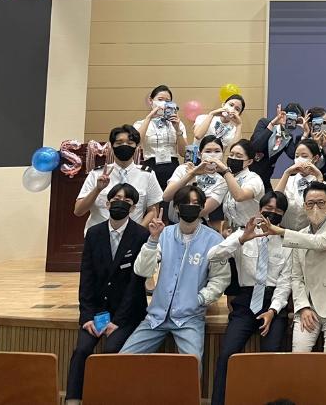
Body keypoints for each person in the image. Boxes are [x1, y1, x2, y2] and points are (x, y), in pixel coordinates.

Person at [261, 182, 326, 402]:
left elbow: (318, 242)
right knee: (299, 358)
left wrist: (280, 231)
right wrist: (303, 307)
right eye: (310, 203)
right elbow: (296, 277)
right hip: (308, 308)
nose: (315, 208)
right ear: (304, 206)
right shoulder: (300, 234)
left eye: (321, 203)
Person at [119, 185, 230, 368]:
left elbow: (220, 279)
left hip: (189, 318)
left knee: (192, 365)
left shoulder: (214, 240)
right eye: (185, 203)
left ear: (202, 207)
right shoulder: (164, 234)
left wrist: (200, 299)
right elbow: (142, 270)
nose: (190, 207)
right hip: (156, 316)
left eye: (195, 203)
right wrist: (152, 240)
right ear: (176, 207)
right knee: (122, 360)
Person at [65, 184, 149, 405]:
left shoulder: (141, 235)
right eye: (116, 199)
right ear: (107, 203)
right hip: (97, 312)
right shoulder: (94, 233)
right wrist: (87, 317)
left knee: (111, 350)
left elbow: (135, 285)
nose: (120, 203)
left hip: (127, 314)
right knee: (82, 350)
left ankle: (104, 398)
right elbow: (87, 277)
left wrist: (117, 322)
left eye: (127, 201)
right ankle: (73, 400)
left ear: (133, 208)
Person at [208, 192, 292, 405]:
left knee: (271, 356)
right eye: (268, 209)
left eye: (278, 211)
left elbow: (285, 284)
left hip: (273, 303)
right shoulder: (242, 233)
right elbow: (213, 256)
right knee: (227, 354)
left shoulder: (287, 242)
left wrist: (272, 311)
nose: (272, 214)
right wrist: (241, 240)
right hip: (246, 303)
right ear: (259, 210)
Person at [74, 124, 162, 234]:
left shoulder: (147, 175)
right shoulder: (96, 174)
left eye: (129, 143)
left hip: (133, 237)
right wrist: (97, 189)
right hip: (98, 236)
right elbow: (78, 211)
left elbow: (153, 211)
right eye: (119, 143)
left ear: (136, 146)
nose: (124, 146)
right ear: (112, 146)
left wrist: (136, 233)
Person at [200, 138, 265, 231]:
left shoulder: (254, 179)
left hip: (252, 232)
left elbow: (239, 196)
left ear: (249, 161)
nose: (233, 158)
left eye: (238, 156)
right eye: (231, 155)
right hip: (232, 233)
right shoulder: (227, 179)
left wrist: (225, 171)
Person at [163, 135, 227, 227]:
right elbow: (166, 197)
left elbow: (201, 212)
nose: (212, 155)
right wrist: (191, 174)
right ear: (200, 154)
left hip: (199, 225)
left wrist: (193, 182)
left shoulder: (221, 182)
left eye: (217, 151)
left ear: (222, 154)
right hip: (174, 224)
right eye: (208, 151)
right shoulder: (183, 169)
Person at [134, 84, 187, 191]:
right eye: (160, 99)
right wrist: (149, 118)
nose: (163, 103)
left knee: (171, 198)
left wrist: (177, 129)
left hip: (172, 166)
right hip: (150, 165)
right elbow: (135, 143)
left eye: (167, 101)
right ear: (151, 100)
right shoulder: (140, 123)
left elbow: (184, 153)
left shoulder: (177, 123)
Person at [251, 102, 305, 191]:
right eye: (290, 118)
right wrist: (272, 124)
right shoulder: (264, 123)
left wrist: (305, 134)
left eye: (297, 120)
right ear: (283, 115)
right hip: (250, 175)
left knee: (273, 199)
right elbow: (257, 147)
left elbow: (293, 155)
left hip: (265, 178)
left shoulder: (288, 137)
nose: (293, 122)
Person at [275, 138, 326, 231]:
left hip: (309, 234)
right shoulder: (288, 180)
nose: (299, 159)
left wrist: (319, 176)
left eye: (304, 156)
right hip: (285, 232)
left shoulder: (320, 182)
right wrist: (286, 173)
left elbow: (321, 209)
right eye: (296, 156)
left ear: (315, 158)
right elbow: (275, 200)